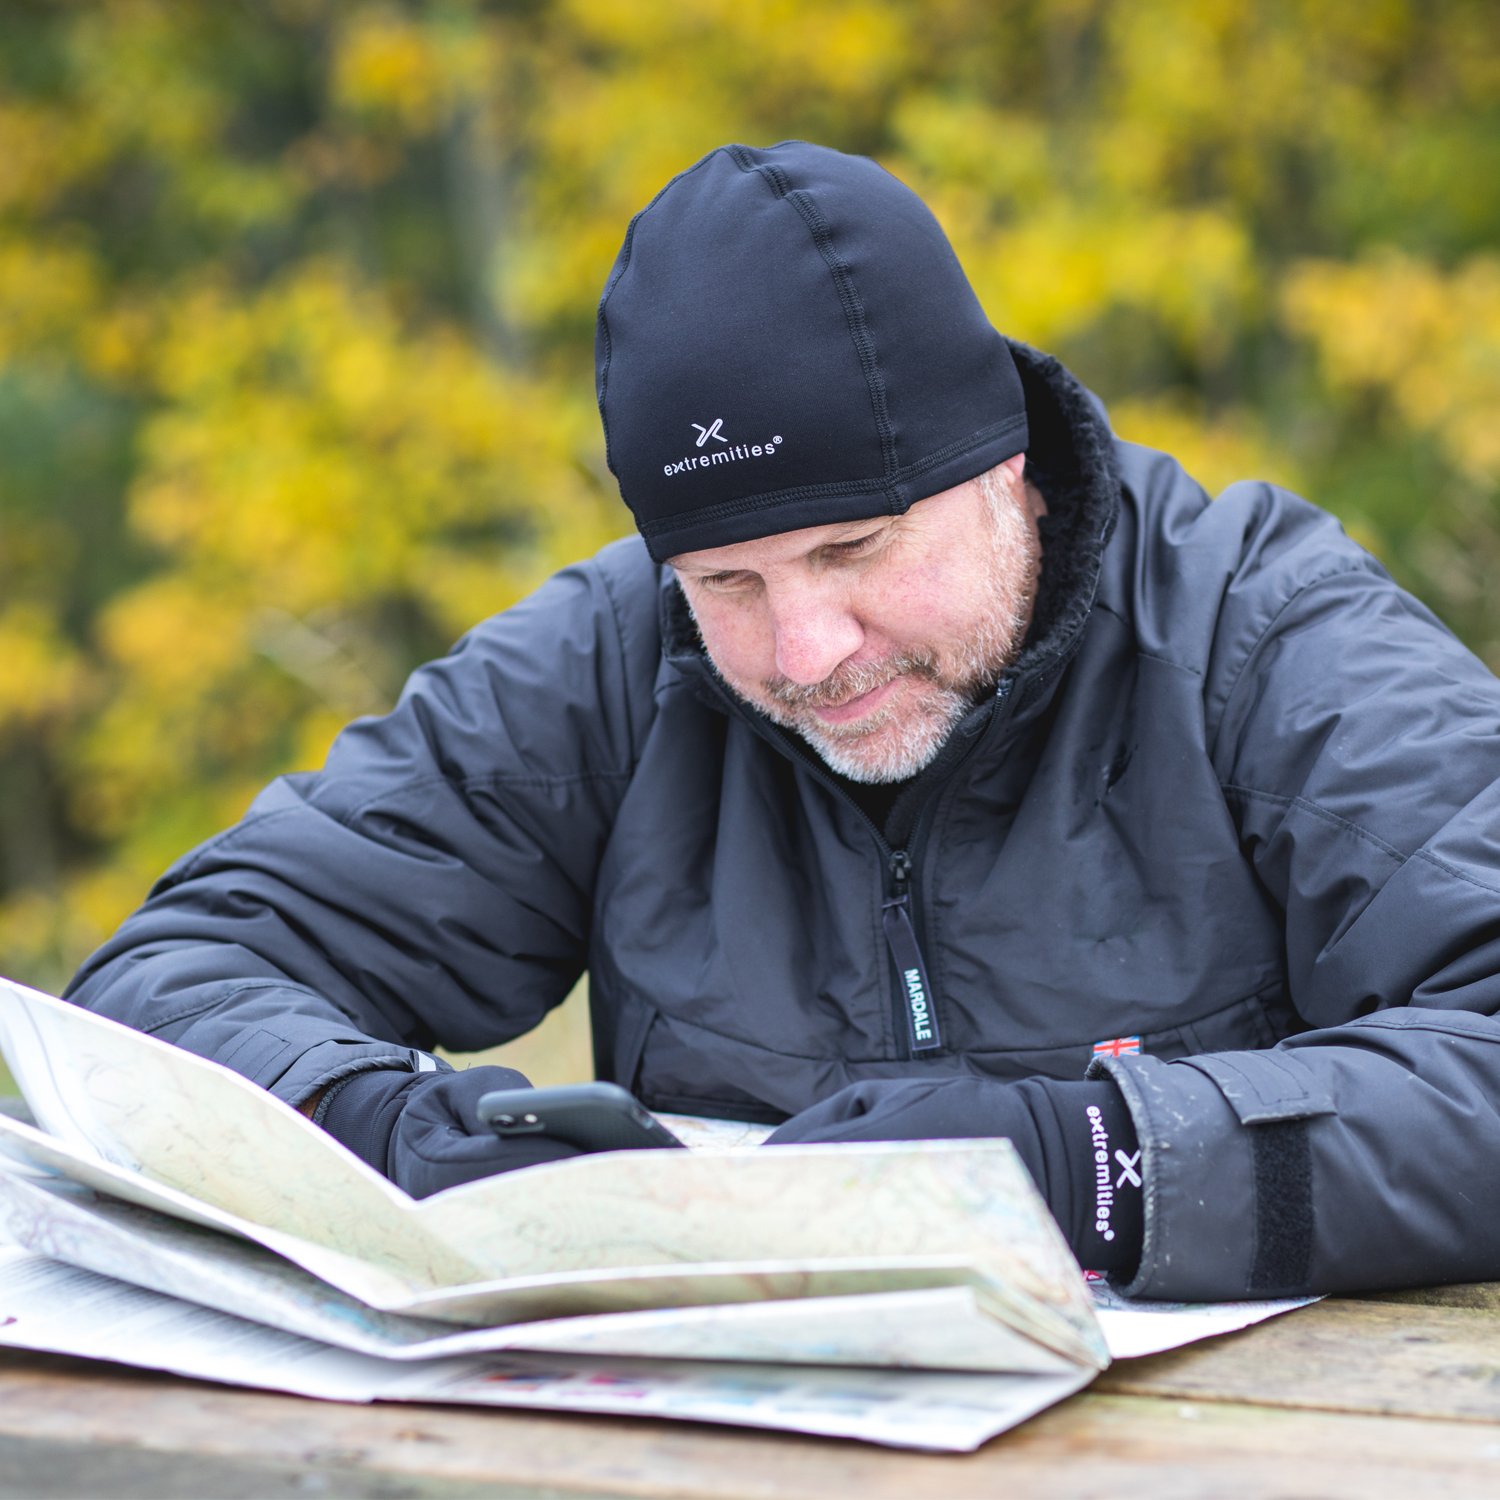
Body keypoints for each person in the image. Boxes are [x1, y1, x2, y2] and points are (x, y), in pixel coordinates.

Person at [65, 141, 1500, 1302]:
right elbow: (174, 975)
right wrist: (387, 1136)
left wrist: (1094, 1162)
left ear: (1006, 464)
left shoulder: (1259, 628)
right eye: (728, 580)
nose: (806, 651)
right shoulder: (616, 656)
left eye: (856, 553)